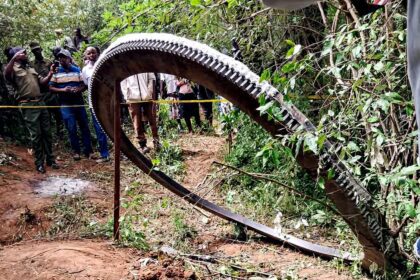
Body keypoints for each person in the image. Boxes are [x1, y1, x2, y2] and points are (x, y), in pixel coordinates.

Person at [3, 47, 59, 173]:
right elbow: (6, 75)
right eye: (22, 53)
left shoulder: (30, 67)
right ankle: (39, 163)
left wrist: (50, 73)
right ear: (16, 56)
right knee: (36, 135)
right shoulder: (12, 69)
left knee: (47, 133)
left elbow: (43, 83)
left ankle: (50, 159)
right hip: (27, 105)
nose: (25, 54)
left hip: (41, 103)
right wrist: (13, 59)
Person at [49, 49, 93, 160]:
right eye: (60, 58)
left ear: (69, 58)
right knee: (71, 127)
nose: (62, 59)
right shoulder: (57, 72)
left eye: (64, 57)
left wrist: (78, 89)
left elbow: (84, 85)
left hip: (78, 103)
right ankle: (76, 152)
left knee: (84, 126)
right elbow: (50, 88)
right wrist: (63, 90)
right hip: (65, 105)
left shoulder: (77, 70)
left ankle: (88, 151)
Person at [82, 46, 110, 163]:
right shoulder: (84, 70)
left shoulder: (104, 65)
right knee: (99, 129)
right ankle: (105, 155)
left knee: (111, 127)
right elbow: (85, 83)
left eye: (93, 52)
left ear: (98, 54)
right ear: (86, 56)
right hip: (93, 104)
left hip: (107, 102)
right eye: (89, 53)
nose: (92, 55)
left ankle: (120, 150)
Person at [29, 42, 63, 139]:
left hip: (52, 92)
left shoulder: (48, 62)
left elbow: (55, 75)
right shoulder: (31, 64)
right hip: (41, 94)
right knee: (45, 117)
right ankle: (48, 136)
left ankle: (60, 134)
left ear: (41, 49)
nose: (37, 52)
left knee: (57, 114)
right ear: (32, 52)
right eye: (34, 50)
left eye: (38, 49)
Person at [120, 73, 160, 153]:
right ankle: (142, 145)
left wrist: (149, 93)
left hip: (147, 97)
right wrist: (127, 96)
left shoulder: (143, 63)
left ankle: (156, 141)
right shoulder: (125, 66)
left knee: (152, 119)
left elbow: (151, 78)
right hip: (133, 98)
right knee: (137, 122)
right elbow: (123, 81)